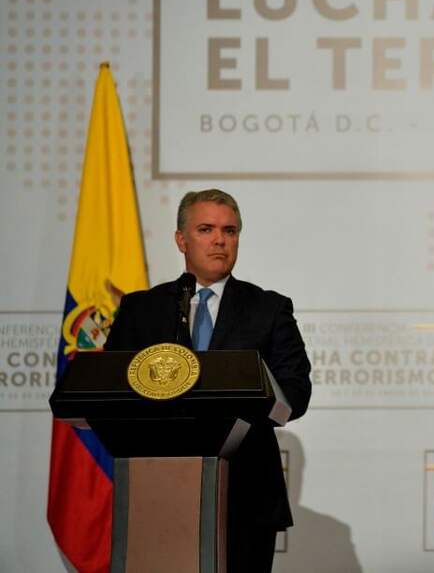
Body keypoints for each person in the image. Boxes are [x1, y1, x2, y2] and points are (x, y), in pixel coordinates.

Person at [105, 189, 312, 573]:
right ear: (181, 239)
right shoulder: (140, 309)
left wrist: (249, 390)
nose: (220, 239)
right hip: (157, 491)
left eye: (230, 231)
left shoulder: (269, 308)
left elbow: (295, 393)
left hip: (245, 495)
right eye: (206, 229)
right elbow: (109, 390)